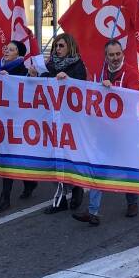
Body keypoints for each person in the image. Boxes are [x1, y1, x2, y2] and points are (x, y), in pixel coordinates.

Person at [72, 40, 139, 226]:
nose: (115, 57)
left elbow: (132, 100)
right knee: (98, 168)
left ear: (122, 52)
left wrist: (113, 90)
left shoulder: (131, 73)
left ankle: (132, 202)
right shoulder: (99, 73)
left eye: (118, 53)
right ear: (106, 56)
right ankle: (93, 211)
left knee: (129, 169)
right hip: (104, 131)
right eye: (111, 55)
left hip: (125, 130)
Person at [30, 32, 88, 214]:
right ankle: (61, 199)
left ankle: (77, 188)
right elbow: (43, 83)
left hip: (71, 120)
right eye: (56, 46)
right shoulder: (49, 65)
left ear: (70, 47)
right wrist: (33, 75)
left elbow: (80, 86)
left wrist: (67, 79)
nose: (57, 49)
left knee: (71, 156)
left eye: (61, 46)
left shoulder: (78, 65)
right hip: (53, 119)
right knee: (57, 158)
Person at [0, 40, 39, 213]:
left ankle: (5, 197)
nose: (7, 51)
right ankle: (29, 182)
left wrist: (31, 77)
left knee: (10, 156)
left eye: (12, 49)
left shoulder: (22, 71)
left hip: (18, 121)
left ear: (19, 54)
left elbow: (31, 90)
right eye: (6, 48)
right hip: (1, 118)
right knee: (8, 155)